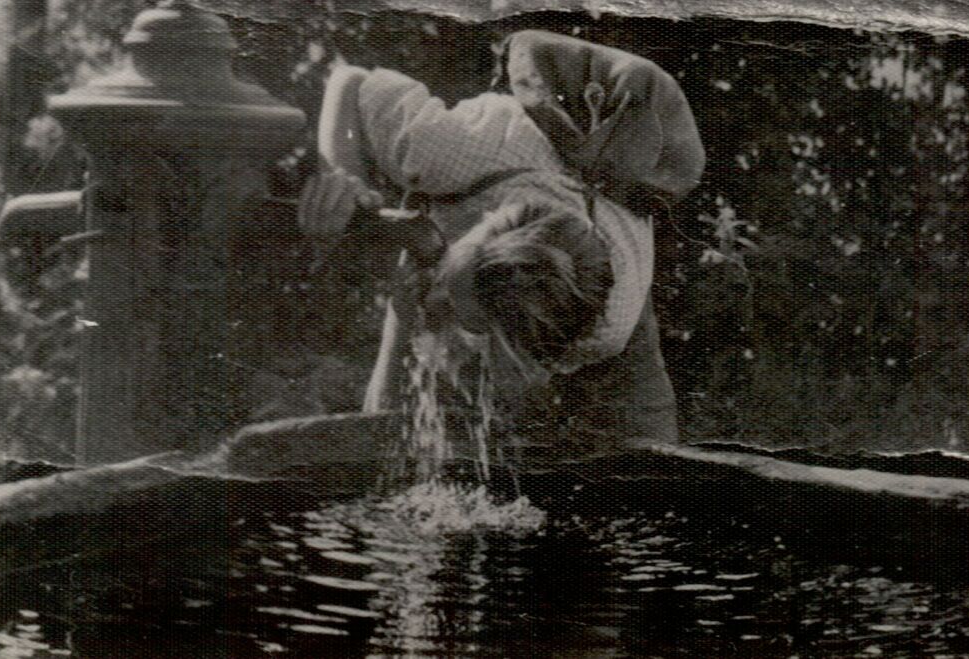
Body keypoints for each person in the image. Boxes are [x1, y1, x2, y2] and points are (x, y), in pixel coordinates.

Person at [298, 30, 704, 455]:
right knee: (412, 427)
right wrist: (347, 183)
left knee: (651, 469)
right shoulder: (444, 149)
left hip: (602, 289)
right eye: (449, 284)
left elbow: (514, 366)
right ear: (481, 226)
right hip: (499, 166)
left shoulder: (612, 323)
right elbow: (349, 81)